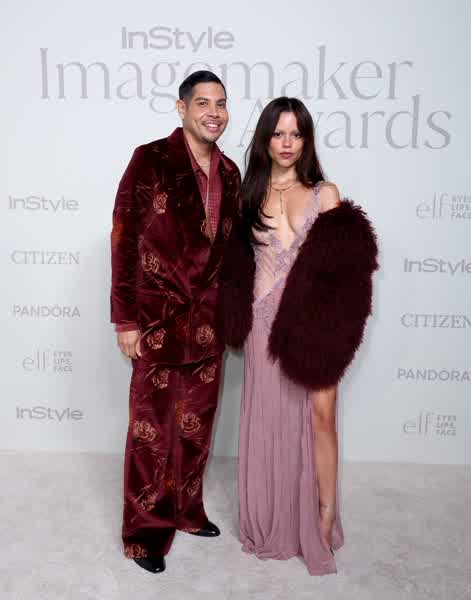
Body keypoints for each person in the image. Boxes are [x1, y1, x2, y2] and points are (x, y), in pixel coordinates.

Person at [217, 97, 378, 575]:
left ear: (306, 140)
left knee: (322, 417)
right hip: (262, 321)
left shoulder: (325, 193)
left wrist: (335, 329)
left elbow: (347, 275)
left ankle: (323, 513)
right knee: (270, 418)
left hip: (314, 325)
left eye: (296, 133)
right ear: (266, 139)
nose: (287, 143)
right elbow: (236, 266)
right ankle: (272, 517)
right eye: (278, 133)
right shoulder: (248, 196)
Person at [110, 71, 241, 574]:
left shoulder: (230, 172)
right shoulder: (150, 159)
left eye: (221, 103)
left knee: (195, 427)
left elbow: (229, 253)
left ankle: (186, 510)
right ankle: (144, 532)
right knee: (152, 430)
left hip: (208, 324)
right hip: (157, 320)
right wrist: (125, 319)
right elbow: (124, 238)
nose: (214, 112)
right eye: (203, 102)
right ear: (182, 108)